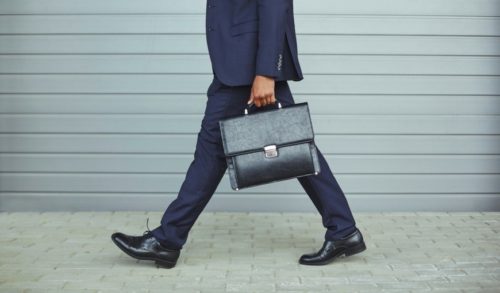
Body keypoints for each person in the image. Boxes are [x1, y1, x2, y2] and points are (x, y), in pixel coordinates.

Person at [111, 0, 366, 269]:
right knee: (291, 144)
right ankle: (343, 230)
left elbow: (275, 6)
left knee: (269, 146)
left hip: (250, 67)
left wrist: (267, 71)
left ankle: (167, 240)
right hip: (238, 63)